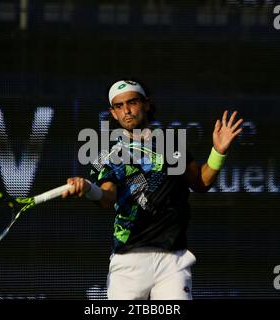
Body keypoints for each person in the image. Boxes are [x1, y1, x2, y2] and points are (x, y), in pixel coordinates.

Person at [62, 80, 243, 300]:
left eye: (132, 102)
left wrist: (218, 151)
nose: (127, 110)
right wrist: (89, 189)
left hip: (173, 259)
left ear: (146, 104)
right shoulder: (107, 154)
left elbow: (200, 182)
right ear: (113, 113)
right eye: (119, 106)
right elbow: (107, 197)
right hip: (129, 259)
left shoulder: (171, 144)